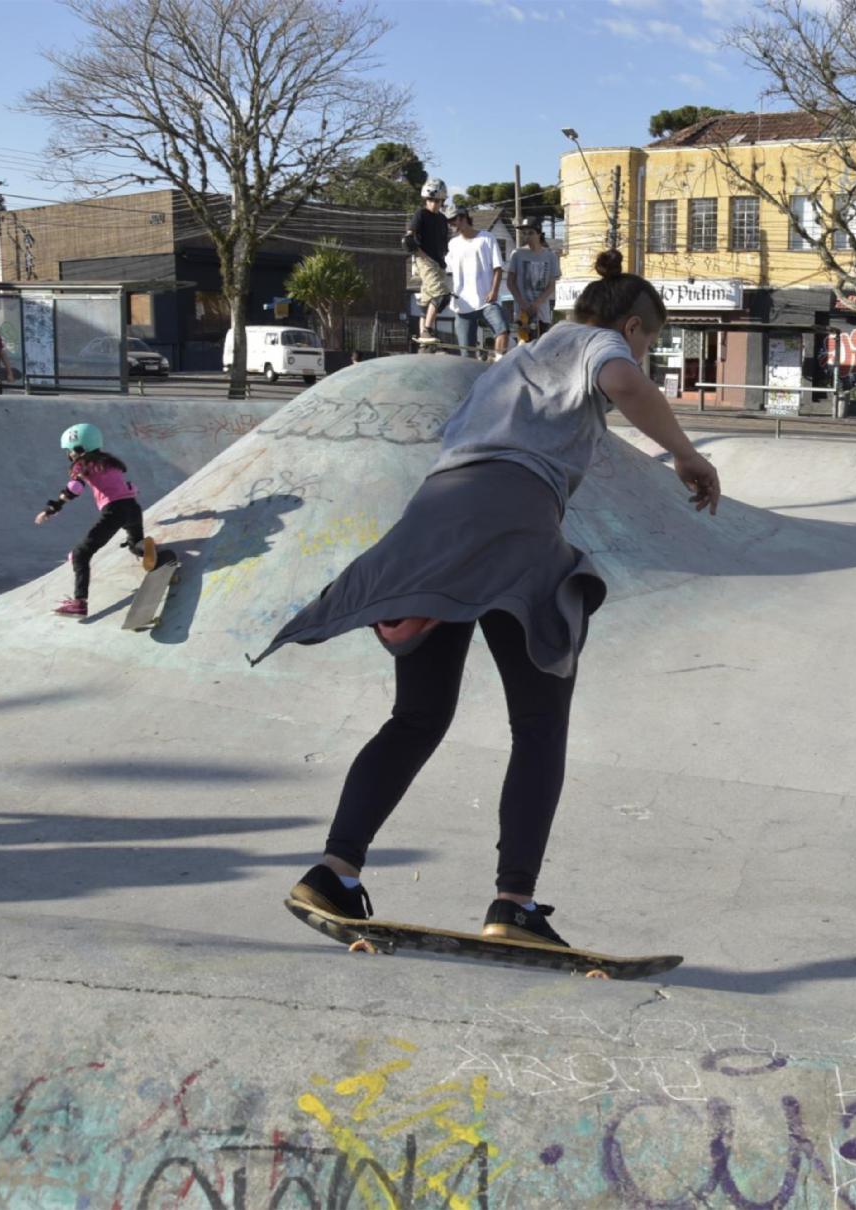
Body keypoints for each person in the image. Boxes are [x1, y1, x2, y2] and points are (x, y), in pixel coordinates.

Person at [259, 249, 722, 950]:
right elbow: (626, 383)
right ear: (631, 324)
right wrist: (687, 454)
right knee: (539, 726)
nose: (646, 353)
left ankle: (334, 872)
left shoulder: (517, 361)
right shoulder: (597, 343)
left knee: (416, 717)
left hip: (430, 522)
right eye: (651, 341)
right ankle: (514, 904)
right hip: (508, 525)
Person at [34, 422, 157, 617]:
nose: (68, 455)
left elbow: (75, 488)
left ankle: (79, 603)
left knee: (80, 554)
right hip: (133, 508)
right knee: (135, 545)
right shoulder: (111, 462)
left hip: (114, 511)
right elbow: (129, 486)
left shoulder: (82, 464)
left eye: (69, 451)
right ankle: (147, 549)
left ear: (78, 448)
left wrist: (52, 508)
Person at [446, 210, 510, 359]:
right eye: (448, 222)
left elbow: (498, 268)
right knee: (466, 351)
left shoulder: (487, 238)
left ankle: (498, 364)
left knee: (502, 330)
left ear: (463, 218)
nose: (450, 225)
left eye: (452, 221)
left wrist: (494, 291)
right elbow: (446, 269)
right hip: (462, 304)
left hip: (486, 300)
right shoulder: (453, 244)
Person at [408, 178, 453, 349]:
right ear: (425, 200)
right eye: (430, 200)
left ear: (442, 201)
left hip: (439, 262)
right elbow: (409, 238)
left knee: (427, 303)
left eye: (436, 201)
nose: (433, 204)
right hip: (424, 260)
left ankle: (423, 341)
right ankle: (427, 330)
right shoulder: (421, 214)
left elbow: (443, 243)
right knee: (441, 295)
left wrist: (442, 262)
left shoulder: (442, 219)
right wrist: (421, 255)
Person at [507, 220, 560, 344]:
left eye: (530, 233)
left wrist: (537, 303)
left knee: (541, 347)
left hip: (541, 312)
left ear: (539, 234)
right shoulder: (517, 254)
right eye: (524, 234)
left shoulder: (550, 256)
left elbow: (552, 284)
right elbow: (510, 282)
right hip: (522, 313)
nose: (527, 237)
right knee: (523, 347)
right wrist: (521, 302)